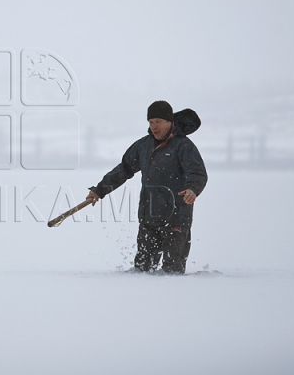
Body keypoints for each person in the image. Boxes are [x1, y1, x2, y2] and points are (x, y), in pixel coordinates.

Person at [86, 101, 207, 274]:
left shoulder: (183, 146)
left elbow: (198, 173)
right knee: (141, 272)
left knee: (172, 273)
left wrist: (192, 189)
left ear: (169, 121)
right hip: (149, 218)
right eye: (150, 122)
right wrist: (99, 190)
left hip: (176, 219)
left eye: (158, 121)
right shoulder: (144, 146)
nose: (154, 126)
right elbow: (124, 169)